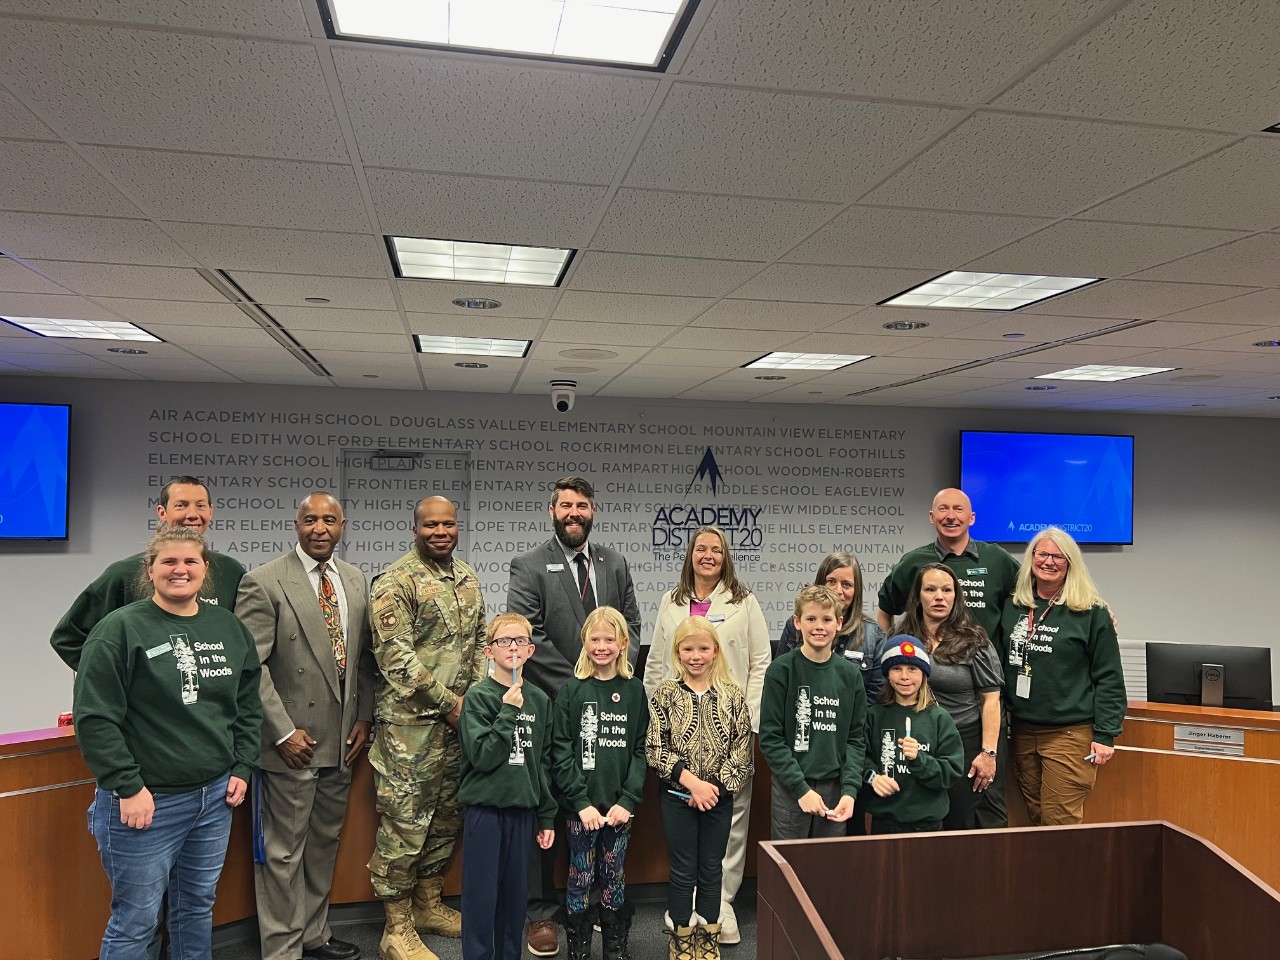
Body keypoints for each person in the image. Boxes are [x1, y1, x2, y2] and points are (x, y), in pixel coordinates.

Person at [74, 525, 262, 959]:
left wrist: (242, 765)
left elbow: (247, 703)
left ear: (205, 570)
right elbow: (96, 719)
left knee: (195, 908)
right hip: (146, 803)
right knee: (135, 922)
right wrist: (127, 785)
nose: (180, 570)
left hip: (214, 799)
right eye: (169, 562)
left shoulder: (228, 627)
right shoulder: (118, 630)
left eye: (190, 561)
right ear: (150, 570)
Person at [235, 494, 377, 960]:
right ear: (296, 523)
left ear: (343, 525)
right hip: (289, 745)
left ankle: (314, 934)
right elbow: (250, 668)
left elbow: (363, 662)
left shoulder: (354, 580)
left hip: (340, 743)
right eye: (310, 519)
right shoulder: (264, 582)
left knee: (322, 846)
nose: (320, 527)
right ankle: (281, 948)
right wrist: (281, 731)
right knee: (281, 854)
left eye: (329, 520)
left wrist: (363, 717)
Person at [507, 476, 642, 957]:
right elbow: (530, 636)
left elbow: (630, 623)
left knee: (598, 805)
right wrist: (580, 690)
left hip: (607, 707)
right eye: (566, 505)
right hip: (550, 707)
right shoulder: (527, 566)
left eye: (582, 505)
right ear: (552, 511)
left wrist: (604, 685)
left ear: (592, 511)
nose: (574, 513)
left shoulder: (613, 562)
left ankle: (600, 909)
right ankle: (542, 912)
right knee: (549, 805)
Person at [367, 497, 488, 960]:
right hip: (409, 731)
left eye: (448, 523)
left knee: (444, 820)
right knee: (404, 826)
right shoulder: (394, 582)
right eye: (430, 524)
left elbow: (481, 643)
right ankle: (395, 929)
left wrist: (471, 702)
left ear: (457, 527)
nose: (440, 531)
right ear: (415, 528)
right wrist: (450, 704)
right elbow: (396, 658)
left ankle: (427, 906)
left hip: (458, 726)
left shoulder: (467, 578)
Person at [643, 524, 769, 945]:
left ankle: (722, 903)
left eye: (716, 549)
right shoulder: (670, 601)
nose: (709, 555)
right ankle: (687, 902)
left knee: (730, 818)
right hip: (679, 734)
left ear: (726, 556)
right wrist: (654, 720)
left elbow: (760, 664)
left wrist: (747, 722)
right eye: (701, 549)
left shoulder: (744, 602)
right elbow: (657, 665)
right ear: (690, 555)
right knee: (684, 822)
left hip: (730, 729)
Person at [876, 488, 1018, 827]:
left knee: (975, 820)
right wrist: (887, 648)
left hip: (969, 735)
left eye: (958, 509)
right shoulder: (913, 564)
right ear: (931, 516)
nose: (950, 515)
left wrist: (988, 752)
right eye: (943, 508)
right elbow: (884, 609)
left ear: (971, 518)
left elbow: (1037, 588)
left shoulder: (996, 560)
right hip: (916, 739)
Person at [997, 528, 1126, 826]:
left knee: (1059, 822)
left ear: (1070, 563)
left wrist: (1106, 734)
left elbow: (1109, 677)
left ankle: (1066, 873)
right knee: (1037, 815)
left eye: (1058, 556)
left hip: (1069, 733)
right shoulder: (1014, 605)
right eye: (1042, 554)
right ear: (1031, 559)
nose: (1049, 562)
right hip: (1022, 730)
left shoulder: (1091, 612)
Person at [51, 475, 246, 670]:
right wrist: (115, 681)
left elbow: (244, 642)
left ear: (211, 512)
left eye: (201, 506)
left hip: (211, 697)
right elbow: (68, 638)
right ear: (162, 512)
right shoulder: (124, 573)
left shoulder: (231, 572)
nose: (192, 514)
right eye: (181, 505)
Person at [646, 617, 753, 960]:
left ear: (716, 651)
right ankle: (680, 936)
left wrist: (713, 790)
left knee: (711, 868)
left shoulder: (733, 695)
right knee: (682, 868)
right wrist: (692, 784)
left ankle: (708, 935)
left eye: (703, 648)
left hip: (719, 801)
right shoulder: (666, 694)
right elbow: (655, 749)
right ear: (677, 652)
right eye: (688, 649)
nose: (696, 656)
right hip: (678, 798)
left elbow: (742, 753)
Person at [458, 613, 556, 960]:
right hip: (485, 812)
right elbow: (483, 756)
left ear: (530, 650)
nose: (512, 647)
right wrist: (508, 712)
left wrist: (545, 817)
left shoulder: (541, 701)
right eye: (503, 641)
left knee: (515, 903)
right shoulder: (479, 698)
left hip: (522, 813)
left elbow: (542, 764)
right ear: (488, 651)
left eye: (519, 641)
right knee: (481, 900)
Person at [551, 607, 648, 960]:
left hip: (619, 810)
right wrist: (580, 801)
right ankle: (579, 950)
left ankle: (615, 949)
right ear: (584, 642)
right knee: (579, 877)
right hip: (581, 810)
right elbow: (560, 752)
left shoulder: (635, 691)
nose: (602, 646)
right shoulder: (572, 691)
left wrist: (628, 800)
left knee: (613, 875)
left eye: (610, 639)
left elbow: (641, 750)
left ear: (623, 643)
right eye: (595, 639)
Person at [891, 563, 1003, 830]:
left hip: (963, 744)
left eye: (947, 590)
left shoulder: (974, 640)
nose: (939, 596)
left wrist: (988, 753)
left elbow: (991, 700)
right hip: (913, 740)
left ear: (956, 596)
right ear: (918, 596)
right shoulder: (900, 637)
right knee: (913, 822)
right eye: (930, 589)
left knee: (957, 825)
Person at [760, 586, 867, 840]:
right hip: (791, 787)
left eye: (827, 619)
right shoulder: (780, 671)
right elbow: (771, 739)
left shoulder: (850, 676)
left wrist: (850, 791)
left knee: (827, 869)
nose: (819, 626)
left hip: (835, 788)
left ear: (839, 623)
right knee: (787, 868)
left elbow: (856, 740)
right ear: (797, 622)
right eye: (811, 619)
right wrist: (801, 789)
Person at [862, 640, 963, 835]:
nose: (905, 676)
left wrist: (919, 759)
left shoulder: (939, 718)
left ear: (924, 674)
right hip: (884, 821)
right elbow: (858, 757)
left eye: (912, 669)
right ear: (887, 674)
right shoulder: (874, 716)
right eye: (897, 668)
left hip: (928, 823)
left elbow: (950, 772)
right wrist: (873, 777)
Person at [774, 551, 890, 701]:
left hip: (851, 722)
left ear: (856, 591)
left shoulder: (874, 635)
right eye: (831, 581)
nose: (838, 590)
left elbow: (875, 698)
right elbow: (779, 682)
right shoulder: (795, 625)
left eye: (846, 584)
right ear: (820, 584)